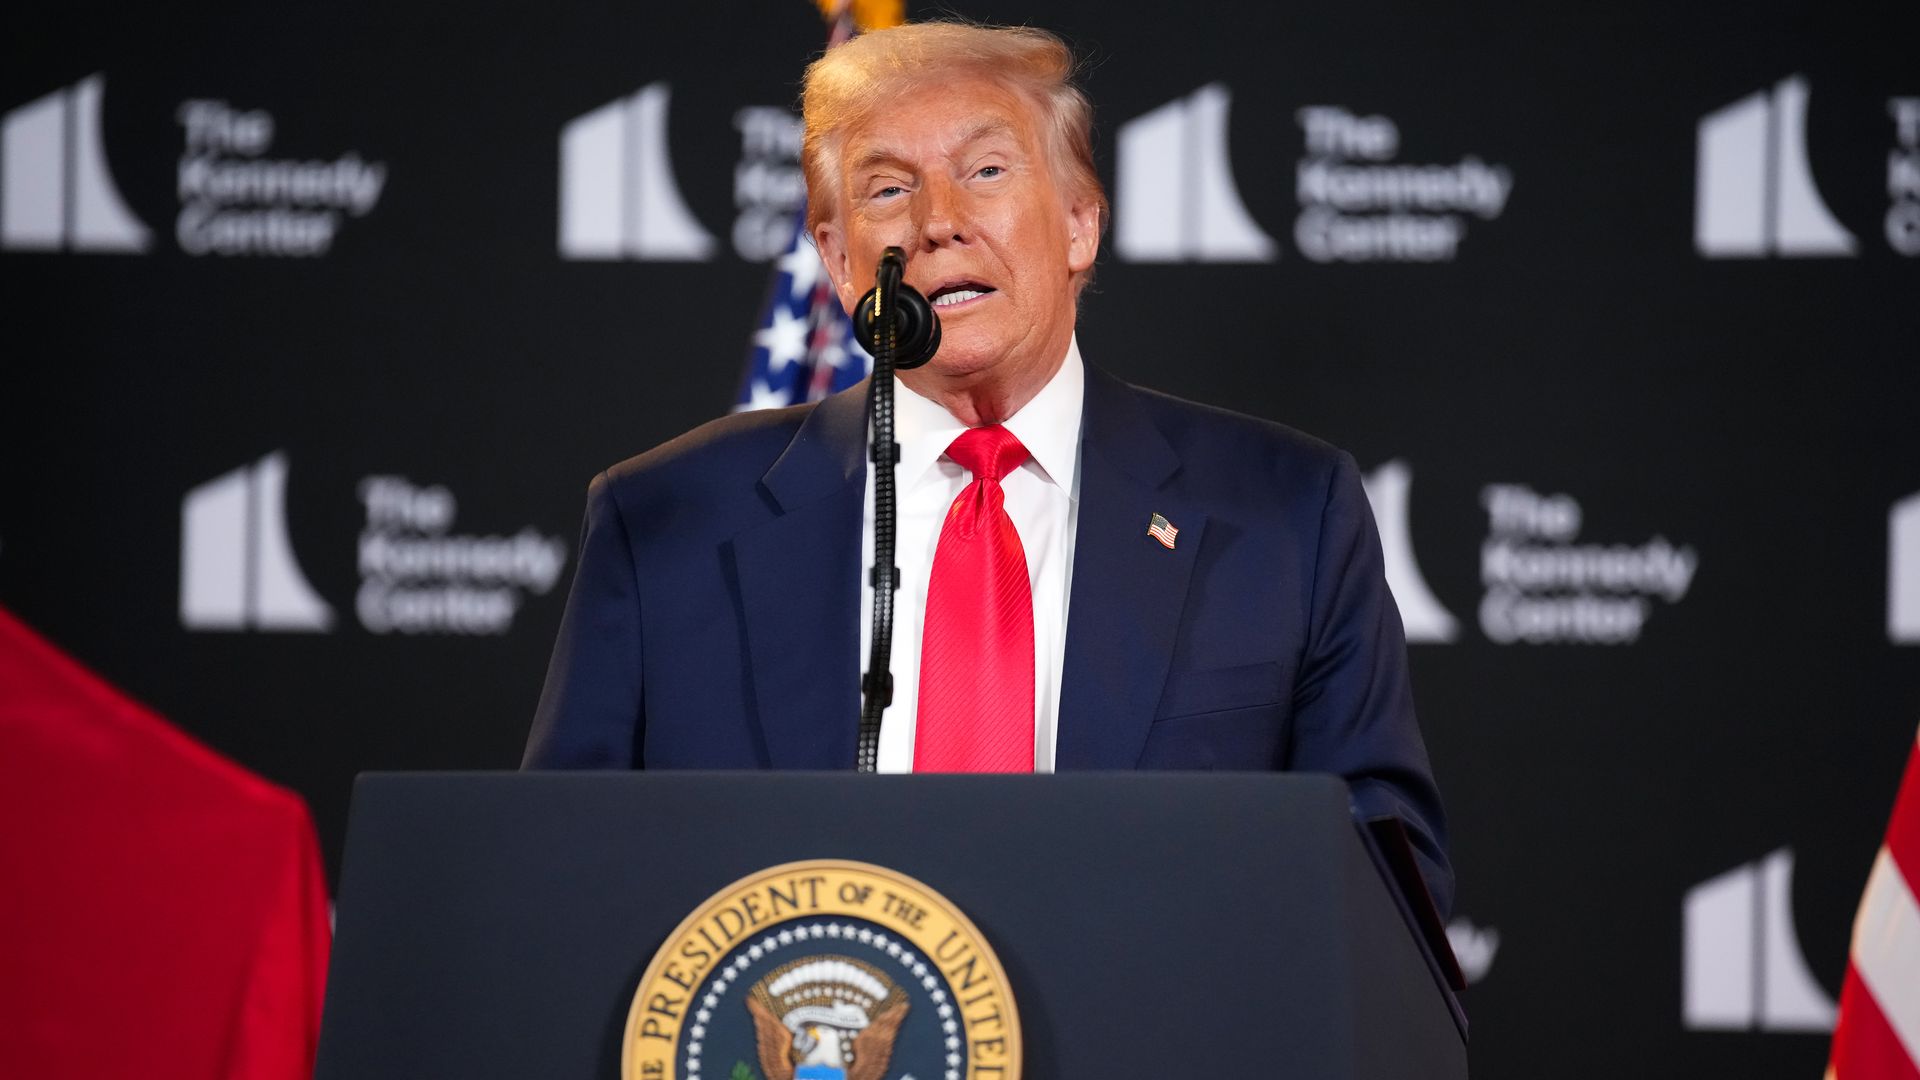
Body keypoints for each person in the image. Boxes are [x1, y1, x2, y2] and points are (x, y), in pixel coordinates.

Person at [522, 21, 1451, 915]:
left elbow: (1382, 883)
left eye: (987, 171)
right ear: (840, 261)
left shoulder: (1286, 513)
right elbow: (560, 876)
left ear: (1080, 223)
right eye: (889, 189)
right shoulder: (665, 521)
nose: (940, 223)